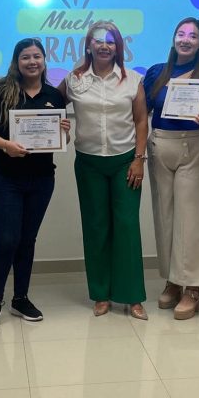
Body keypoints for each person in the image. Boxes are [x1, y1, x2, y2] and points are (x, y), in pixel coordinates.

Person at [0, 38, 70, 330]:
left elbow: (61, 141)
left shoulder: (55, 96)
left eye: (37, 56)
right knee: (6, 240)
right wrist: (6, 145)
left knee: (27, 241)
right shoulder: (1, 90)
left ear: (45, 61)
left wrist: (64, 132)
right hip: (4, 178)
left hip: (42, 179)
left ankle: (20, 298)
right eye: (26, 57)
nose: (32, 62)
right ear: (16, 61)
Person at [59, 21, 149, 320]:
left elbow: (140, 121)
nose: (104, 45)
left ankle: (132, 296)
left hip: (125, 162)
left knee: (127, 227)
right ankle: (101, 294)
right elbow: (48, 106)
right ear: (89, 45)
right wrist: (58, 131)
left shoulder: (133, 80)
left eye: (111, 41)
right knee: (96, 227)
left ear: (118, 47)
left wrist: (139, 158)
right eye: (98, 40)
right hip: (89, 163)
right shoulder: (74, 79)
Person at [143, 18, 199, 319]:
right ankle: (172, 281)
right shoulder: (156, 72)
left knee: (190, 218)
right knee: (164, 216)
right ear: (173, 38)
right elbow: (143, 113)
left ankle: (193, 287)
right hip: (160, 146)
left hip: (194, 147)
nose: (186, 39)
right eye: (181, 33)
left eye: (193, 36)